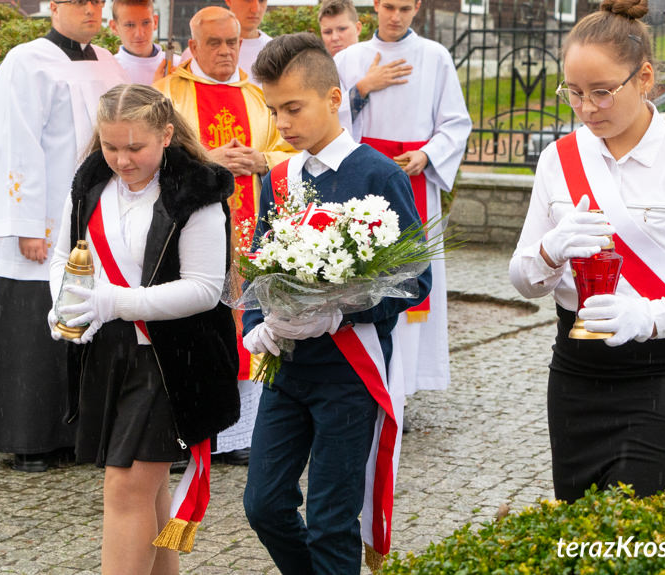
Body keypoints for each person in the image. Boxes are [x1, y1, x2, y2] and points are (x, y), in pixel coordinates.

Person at [509, 0, 665, 503]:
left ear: (645, 78)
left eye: (602, 92)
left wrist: (650, 317)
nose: (587, 108)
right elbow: (523, 278)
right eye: (573, 92)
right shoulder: (557, 160)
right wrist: (549, 251)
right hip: (577, 367)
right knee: (578, 521)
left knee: (630, 525)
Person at [242, 33, 431, 574]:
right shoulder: (279, 178)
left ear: (333, 98)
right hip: (286, 367)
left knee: (330, 519)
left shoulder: (379, 174)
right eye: (274, 110)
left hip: (350, 373)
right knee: (265, 504)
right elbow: (261, 266)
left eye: (293, 107)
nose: (283, 123)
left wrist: (341, 311)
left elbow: (414, 281)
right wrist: (259, 321)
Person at [48, 83, 239, 575]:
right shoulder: (90, 179)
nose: (121, 160)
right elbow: (64, 256)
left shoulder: (198, 191)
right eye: (110, 146)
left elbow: (202, 288)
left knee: (126, 486)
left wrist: (116, 301)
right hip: (110, 355)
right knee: (147, 490)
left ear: (167, 135)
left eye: (135, 147)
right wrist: (64, 305)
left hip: (173, 361)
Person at [0, 0, 129, 472]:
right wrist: (25, 225)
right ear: (55, 6)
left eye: (97, 2)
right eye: (81, 2)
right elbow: (16, 143)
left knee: (88, 317)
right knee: (35, 326)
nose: (92, 10)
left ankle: (77, 433)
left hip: (95, 215)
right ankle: (29, 438)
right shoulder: (26, 62)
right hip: (42, 218)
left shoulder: (109, 63)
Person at [154, 6, 295, 467]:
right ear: (192, 46)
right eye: (213, 43)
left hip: (251, 231)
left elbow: (292, 149)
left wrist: (263, 161)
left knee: (245, 324)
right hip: (191, 235)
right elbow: (145, 157)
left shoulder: (258, 96)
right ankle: (183, 435)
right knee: (189, 327)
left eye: (232, 42)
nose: (225, 51)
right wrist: (206, 159)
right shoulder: (165, 95)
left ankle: (236, 436)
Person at [335, 0, 472, 401]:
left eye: (405, 8)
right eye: (389, 7)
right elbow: (331, 114)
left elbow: (456, 122)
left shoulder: (435, 56)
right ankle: (362, 376)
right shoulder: (350, 58)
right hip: (363, 180)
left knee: (409, 282)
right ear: (375, 5)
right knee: (362, 277)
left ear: (417, 7)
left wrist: (427, 154)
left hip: (412, 178)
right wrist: (362, 88)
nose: (396, 16)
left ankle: (401, 387)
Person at [179, 0, 272, 87]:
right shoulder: (194, 54)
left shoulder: (277, 52)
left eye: (261, 0)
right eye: (247, 0)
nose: (255, 9)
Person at [109, 0, 178, 85]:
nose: (139, 34)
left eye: (146, 23)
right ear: (114, 27)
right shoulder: (108, 70)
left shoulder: (178, 65)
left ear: (155, 22)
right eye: (130, 25)